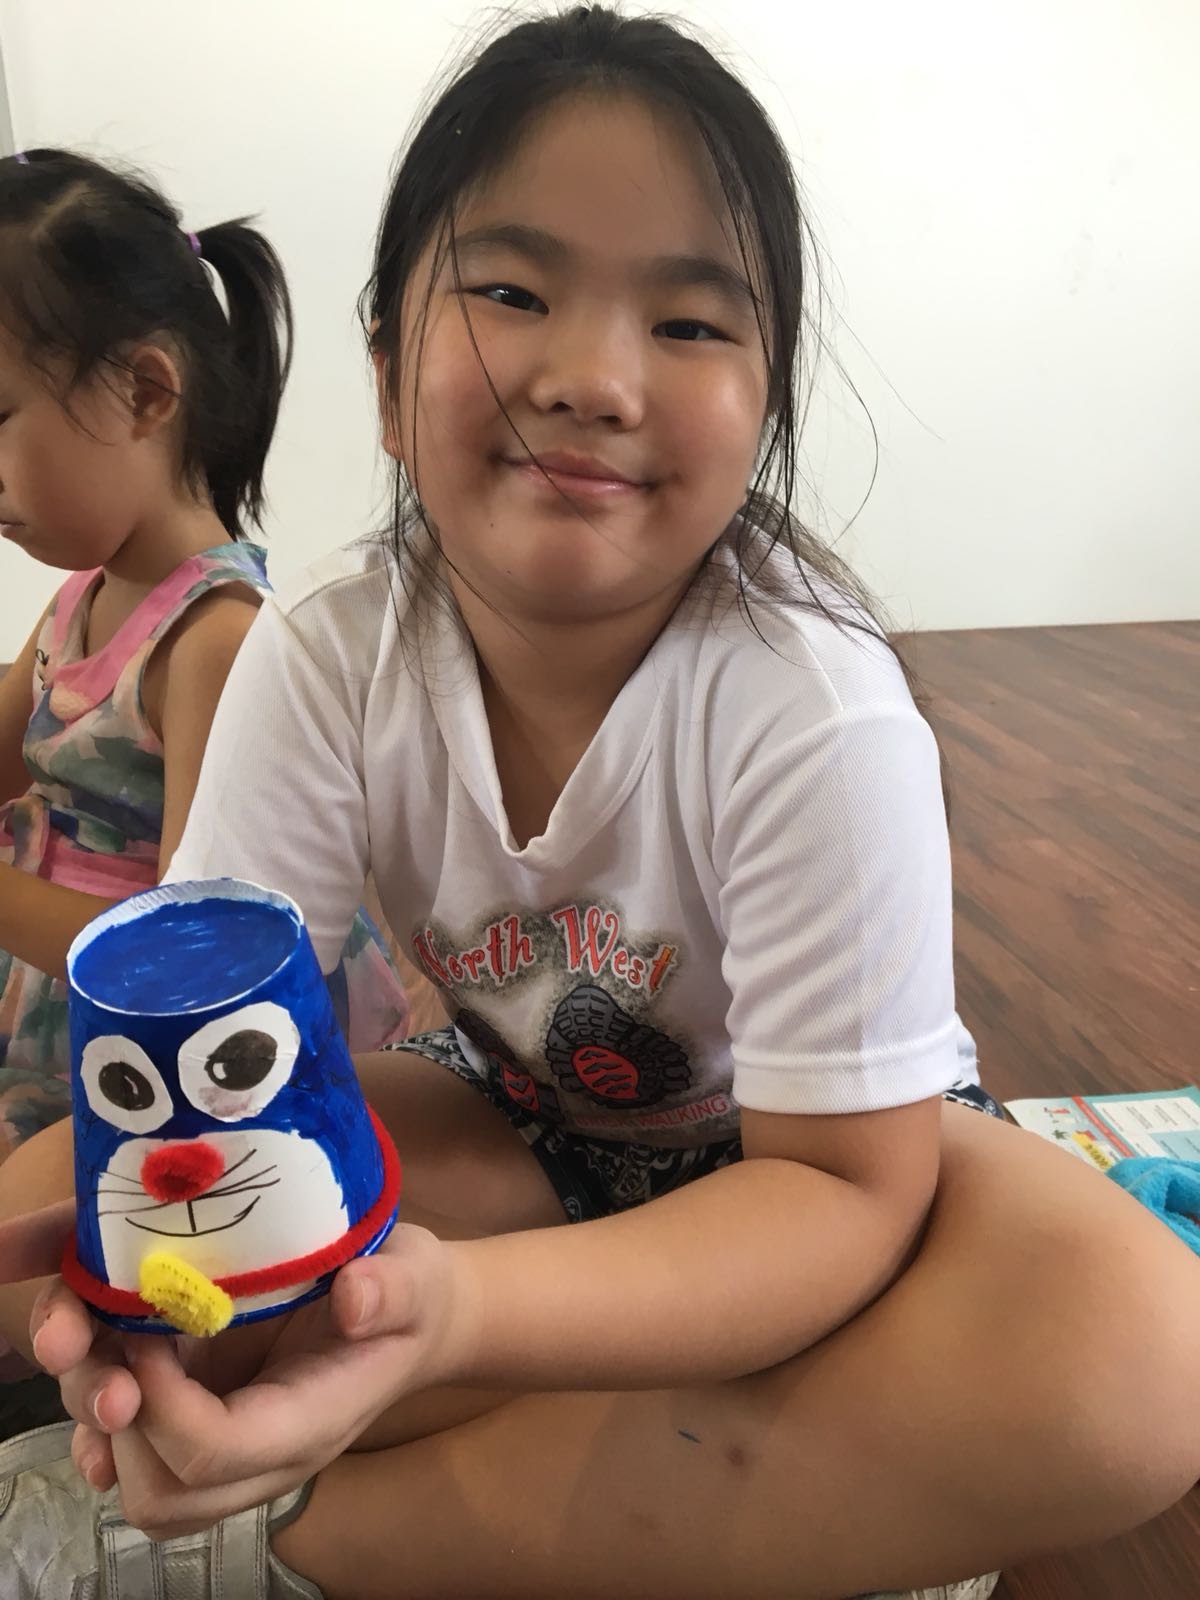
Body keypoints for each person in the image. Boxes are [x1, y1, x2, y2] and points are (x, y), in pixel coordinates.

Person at [1, 12, 1197, 1600]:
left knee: (1133, 1345)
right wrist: (169, 1296)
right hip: (531, 1125)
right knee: (59, 1203)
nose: (592, 379)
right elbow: (220, 1074)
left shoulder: (812, 707)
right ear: (385, 372)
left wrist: (452, 1317)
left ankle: (292, 1537)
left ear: (764, 411)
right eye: (510, 293)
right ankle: (746, 1490)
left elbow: (845, 1191)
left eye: (690, 323)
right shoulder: (325, 655)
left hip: (816, 1175)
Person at [0, 149, 408, 1165]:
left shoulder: (215, 638)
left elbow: (184, 953)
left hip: (172, 1062)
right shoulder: (80, 598)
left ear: (146, 393)